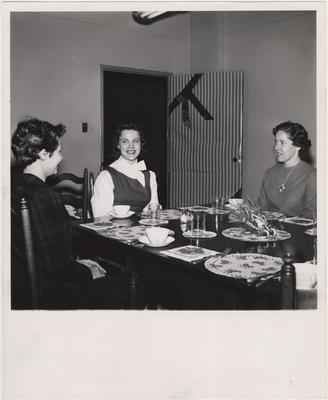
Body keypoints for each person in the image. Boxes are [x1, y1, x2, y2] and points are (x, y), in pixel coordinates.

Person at [11, 118, 128, 309]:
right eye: (59, 151)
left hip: (25, 287)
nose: (61, 158)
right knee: (128, 285)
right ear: (43, 154)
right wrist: (87, 271)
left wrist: (79, 263)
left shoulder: (14, 186)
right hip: (51, 292)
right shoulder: (44, 196)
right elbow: (58, 269)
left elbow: (45, 254)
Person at [91, 123, 159, 218]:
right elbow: (99, 215)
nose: (131, 146)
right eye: (125, 141)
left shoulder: (150, 175)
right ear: (118, 145)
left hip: (142, 230)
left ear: (141, 144)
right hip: (112, 230)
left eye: (135, 141)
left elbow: (153, 211)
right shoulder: (106, 176)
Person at [257, 121, 316, 218]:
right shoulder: (269, 173)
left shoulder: (311, 175)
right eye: (275, 142)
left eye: (282, 142)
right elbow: (260, 210)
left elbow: (311, 218)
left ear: (297, 146)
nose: (276, 147)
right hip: (271, 231)